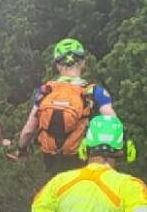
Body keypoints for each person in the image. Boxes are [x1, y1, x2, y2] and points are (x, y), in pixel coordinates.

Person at [18, 38, 118, 175]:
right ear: (83, 63)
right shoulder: (94, 91)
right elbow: (113, 123)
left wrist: (21, 149)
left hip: (49, 160)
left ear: (58, 66)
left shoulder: (45, 90)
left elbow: (29, 130)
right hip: (79, 159)